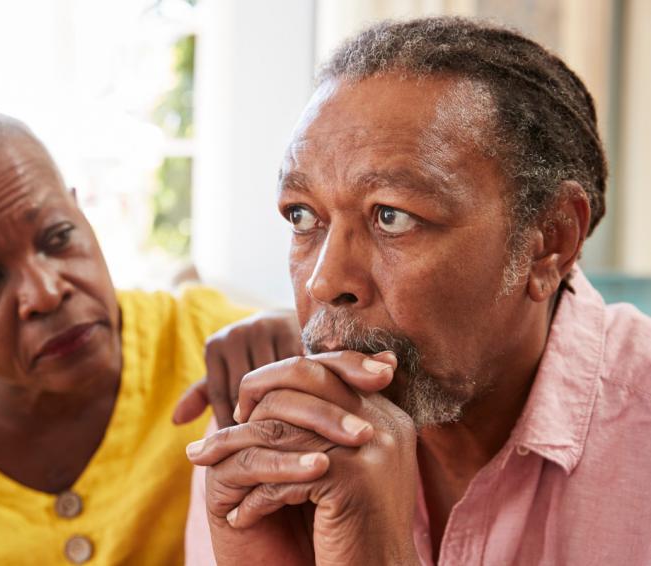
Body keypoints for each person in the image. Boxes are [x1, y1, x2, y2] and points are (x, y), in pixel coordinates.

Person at [183, 16, 651, 565]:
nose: (325, 281)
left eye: (391, 217)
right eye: (303, 215)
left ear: (549, 241)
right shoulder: (274, 441)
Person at [0, 107, 301, 565]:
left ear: (81, 213)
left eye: (58, 238)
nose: (44, 293)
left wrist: (310, 345)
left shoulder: (209, 340)